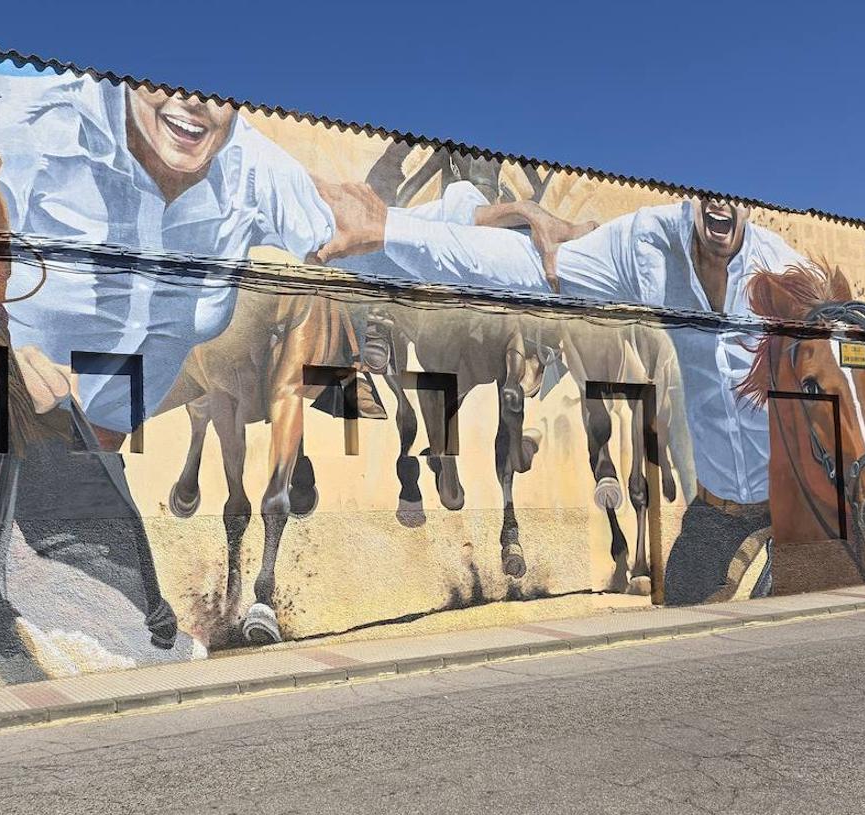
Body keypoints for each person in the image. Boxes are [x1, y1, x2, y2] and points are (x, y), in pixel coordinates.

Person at [0, 74, 342, 649]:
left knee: (146, 629)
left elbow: (387, 241)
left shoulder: (253, 173)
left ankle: (353, 383)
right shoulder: (19, 121)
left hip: (78, 459)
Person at [316, 180, 806, 604]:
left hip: (791, 497)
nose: (720, 203)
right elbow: (518, 260)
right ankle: (362, 355)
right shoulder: (642, 241)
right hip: (717, 509)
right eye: (707, 191)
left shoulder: (785, 267)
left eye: (732, 194)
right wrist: (388, 230)